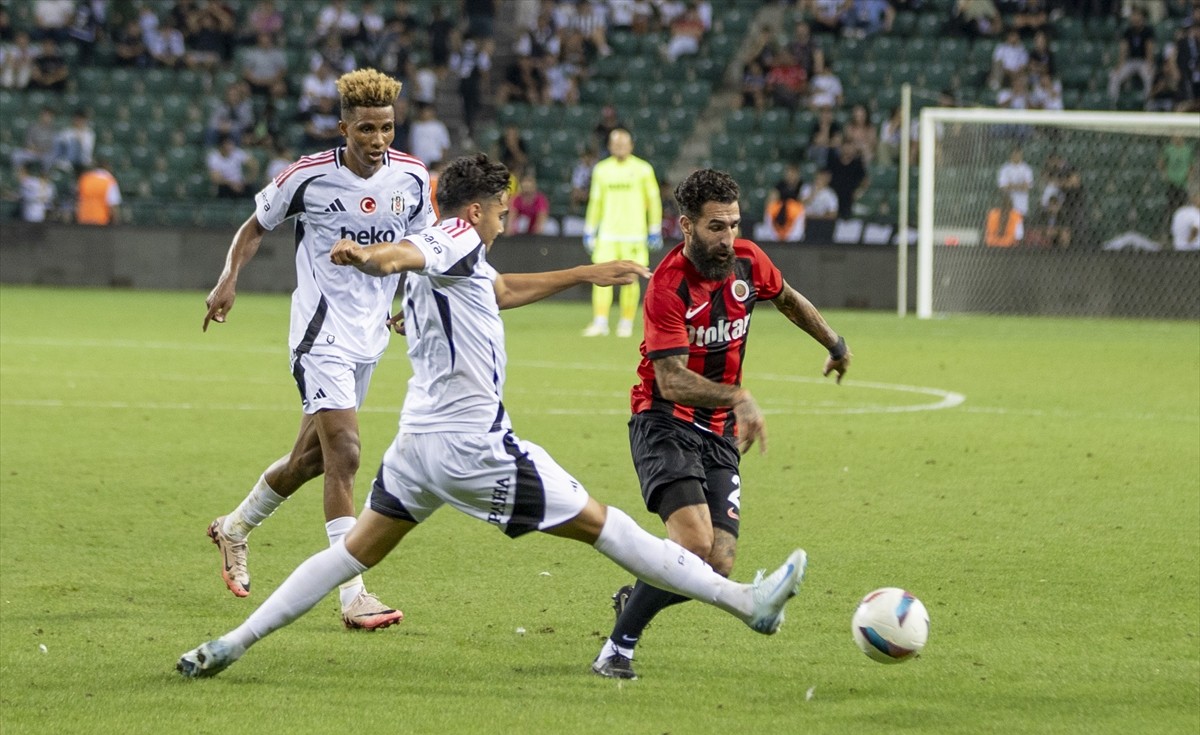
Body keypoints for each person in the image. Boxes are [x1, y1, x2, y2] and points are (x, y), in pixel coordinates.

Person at [176, 154, 808, 679]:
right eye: (502, 210)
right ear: (475, 210)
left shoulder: (462, 259)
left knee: (348, 558)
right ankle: (745, 603)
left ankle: (231, 644)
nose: (506, 220)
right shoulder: (450, 236)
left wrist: (589, 273)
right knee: (609, 528)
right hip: (472, 448)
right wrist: (369, 259)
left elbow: (497, 290)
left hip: (417, 449)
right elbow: (402, 255)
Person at [590, 168, 849, 681]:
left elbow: (789, 300)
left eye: (733, 224)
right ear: (686, 225)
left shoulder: (749, 261)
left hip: (719, 431)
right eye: (716, 227)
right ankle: (617, 649)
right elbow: (669, 380)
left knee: (718, 563)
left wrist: (834, 342)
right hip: (663, 421)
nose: (728, 237)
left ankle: (635, 599)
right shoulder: (668, 287)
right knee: (691, 545)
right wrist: (740, 397)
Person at [199, 68, 434, 630]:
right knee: (346, 453)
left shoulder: (412, 177)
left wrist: (413, 299)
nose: (378, 141)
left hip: (370, 335)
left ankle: (234, 527)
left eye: (387, 129)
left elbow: (423, 245)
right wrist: (228, 277)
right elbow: (255, 226)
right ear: (343, 128)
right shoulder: (307, 177)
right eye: (366, 130)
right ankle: (352, 594)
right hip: (318, 334)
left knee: (309, 461)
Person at [581, 129, 661, 338]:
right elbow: (595, 201)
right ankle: (600, 321)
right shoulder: (601, 170)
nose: (619, 147)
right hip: (607, 233)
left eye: (623, 143)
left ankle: (626, 322)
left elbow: (653, 200)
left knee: (631, 278)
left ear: (631, 145)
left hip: (634, 234)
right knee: (601, 276)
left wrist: (654, 228)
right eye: (615, 143)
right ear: (609, 146)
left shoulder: (643, 169)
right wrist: (590, 230)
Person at [75, 159, 121, 225]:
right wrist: (116, 223)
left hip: (84, 219)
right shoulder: (109, 180)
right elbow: (113, 205)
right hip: (101, 221)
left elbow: (78, 201)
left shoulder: (85, 178)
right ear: (107, 167)